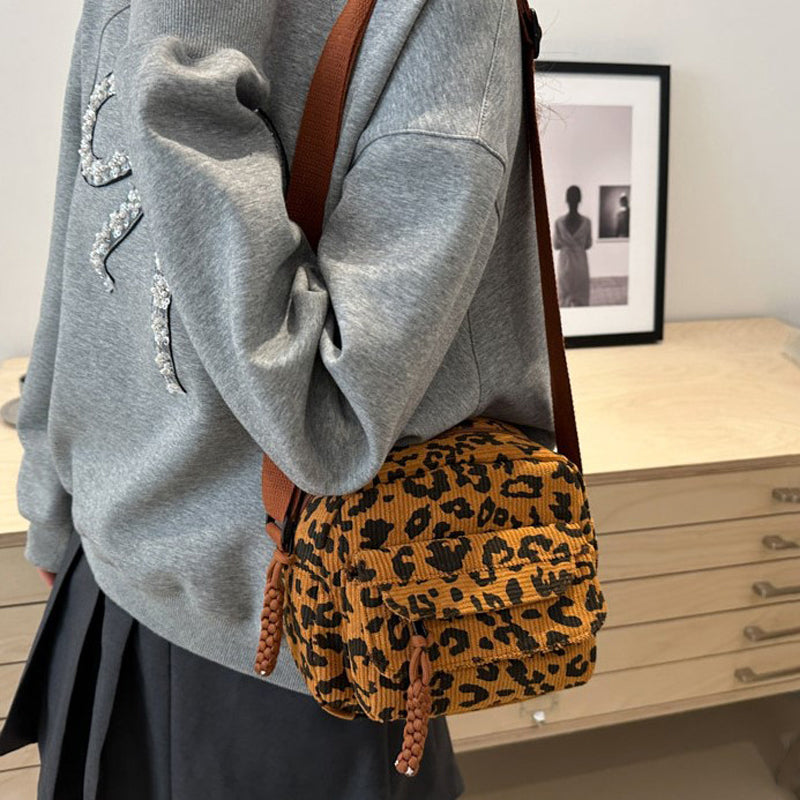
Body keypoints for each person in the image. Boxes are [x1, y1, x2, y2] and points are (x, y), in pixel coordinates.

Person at [0, 0, 558, 797]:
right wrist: (51, 509)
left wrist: (184, 43)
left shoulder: (443, 15)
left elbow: (331, 418)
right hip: (101, 589)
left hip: (295, 654)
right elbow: (78, 261)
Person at [553, 184, 593, 306]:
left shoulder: (559, 222)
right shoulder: (587, 222)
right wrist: (577, 246)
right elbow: (588, 244)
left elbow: (556, 245)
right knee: (582, 300)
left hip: (565, 264)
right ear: (580, 200)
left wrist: (567, 244)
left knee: (563, 301)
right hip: (580, 264)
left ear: (566, 200)